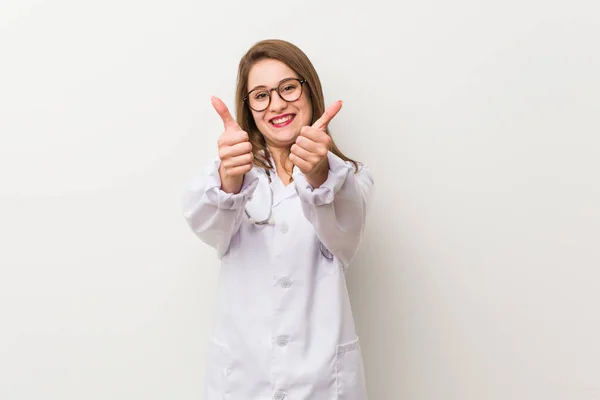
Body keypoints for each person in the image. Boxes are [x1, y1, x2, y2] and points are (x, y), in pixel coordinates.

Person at [182, 39, 374, 400]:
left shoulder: (349, 177)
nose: (277, 104)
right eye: (260, 95)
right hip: (243, 378)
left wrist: (318, 174)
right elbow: (209, 228)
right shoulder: (231, 176)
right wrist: (228, 181)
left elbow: (344, 235)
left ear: (309, 89)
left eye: (287, 87)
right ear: (249, 108)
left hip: (321, 381)